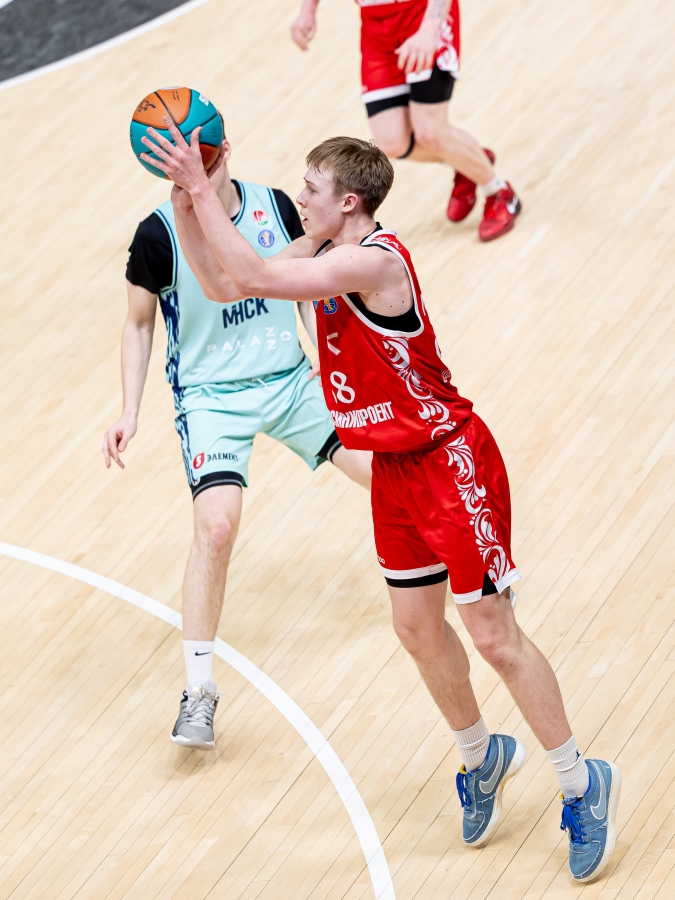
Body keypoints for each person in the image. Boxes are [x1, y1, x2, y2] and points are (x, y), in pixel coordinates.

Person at [138, 123, 620, 884]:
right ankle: (481, 757)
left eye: (311, 189)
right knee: (416, 629)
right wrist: (186, 204)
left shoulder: (372, 261)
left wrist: (203, 188)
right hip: (395, 470)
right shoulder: (320, 250)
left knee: (492, 635)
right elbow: (227, 284)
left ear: (348, 203)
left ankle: (580, 780)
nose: (297, 198)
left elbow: (255, 276)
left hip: (448, 460)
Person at [102, 121, 372, 751]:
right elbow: (138, 324)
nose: (195, 174)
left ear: (224, 152)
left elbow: (301, 286)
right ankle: (198, 691)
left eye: (204, 161)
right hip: (211, 398)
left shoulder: (274, 205)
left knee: (382, 469)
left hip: (288, 379)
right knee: (216, 528)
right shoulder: (156, 235)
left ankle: (460, 564)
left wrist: (321, 355)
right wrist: (129, 409)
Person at [290, 0, 522, 242]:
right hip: (377, 29)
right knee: (390, 142)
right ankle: (466, 159)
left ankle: (499, 191)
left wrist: (429, 29)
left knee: (430, 133)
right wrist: (307, 11)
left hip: (422, 16)